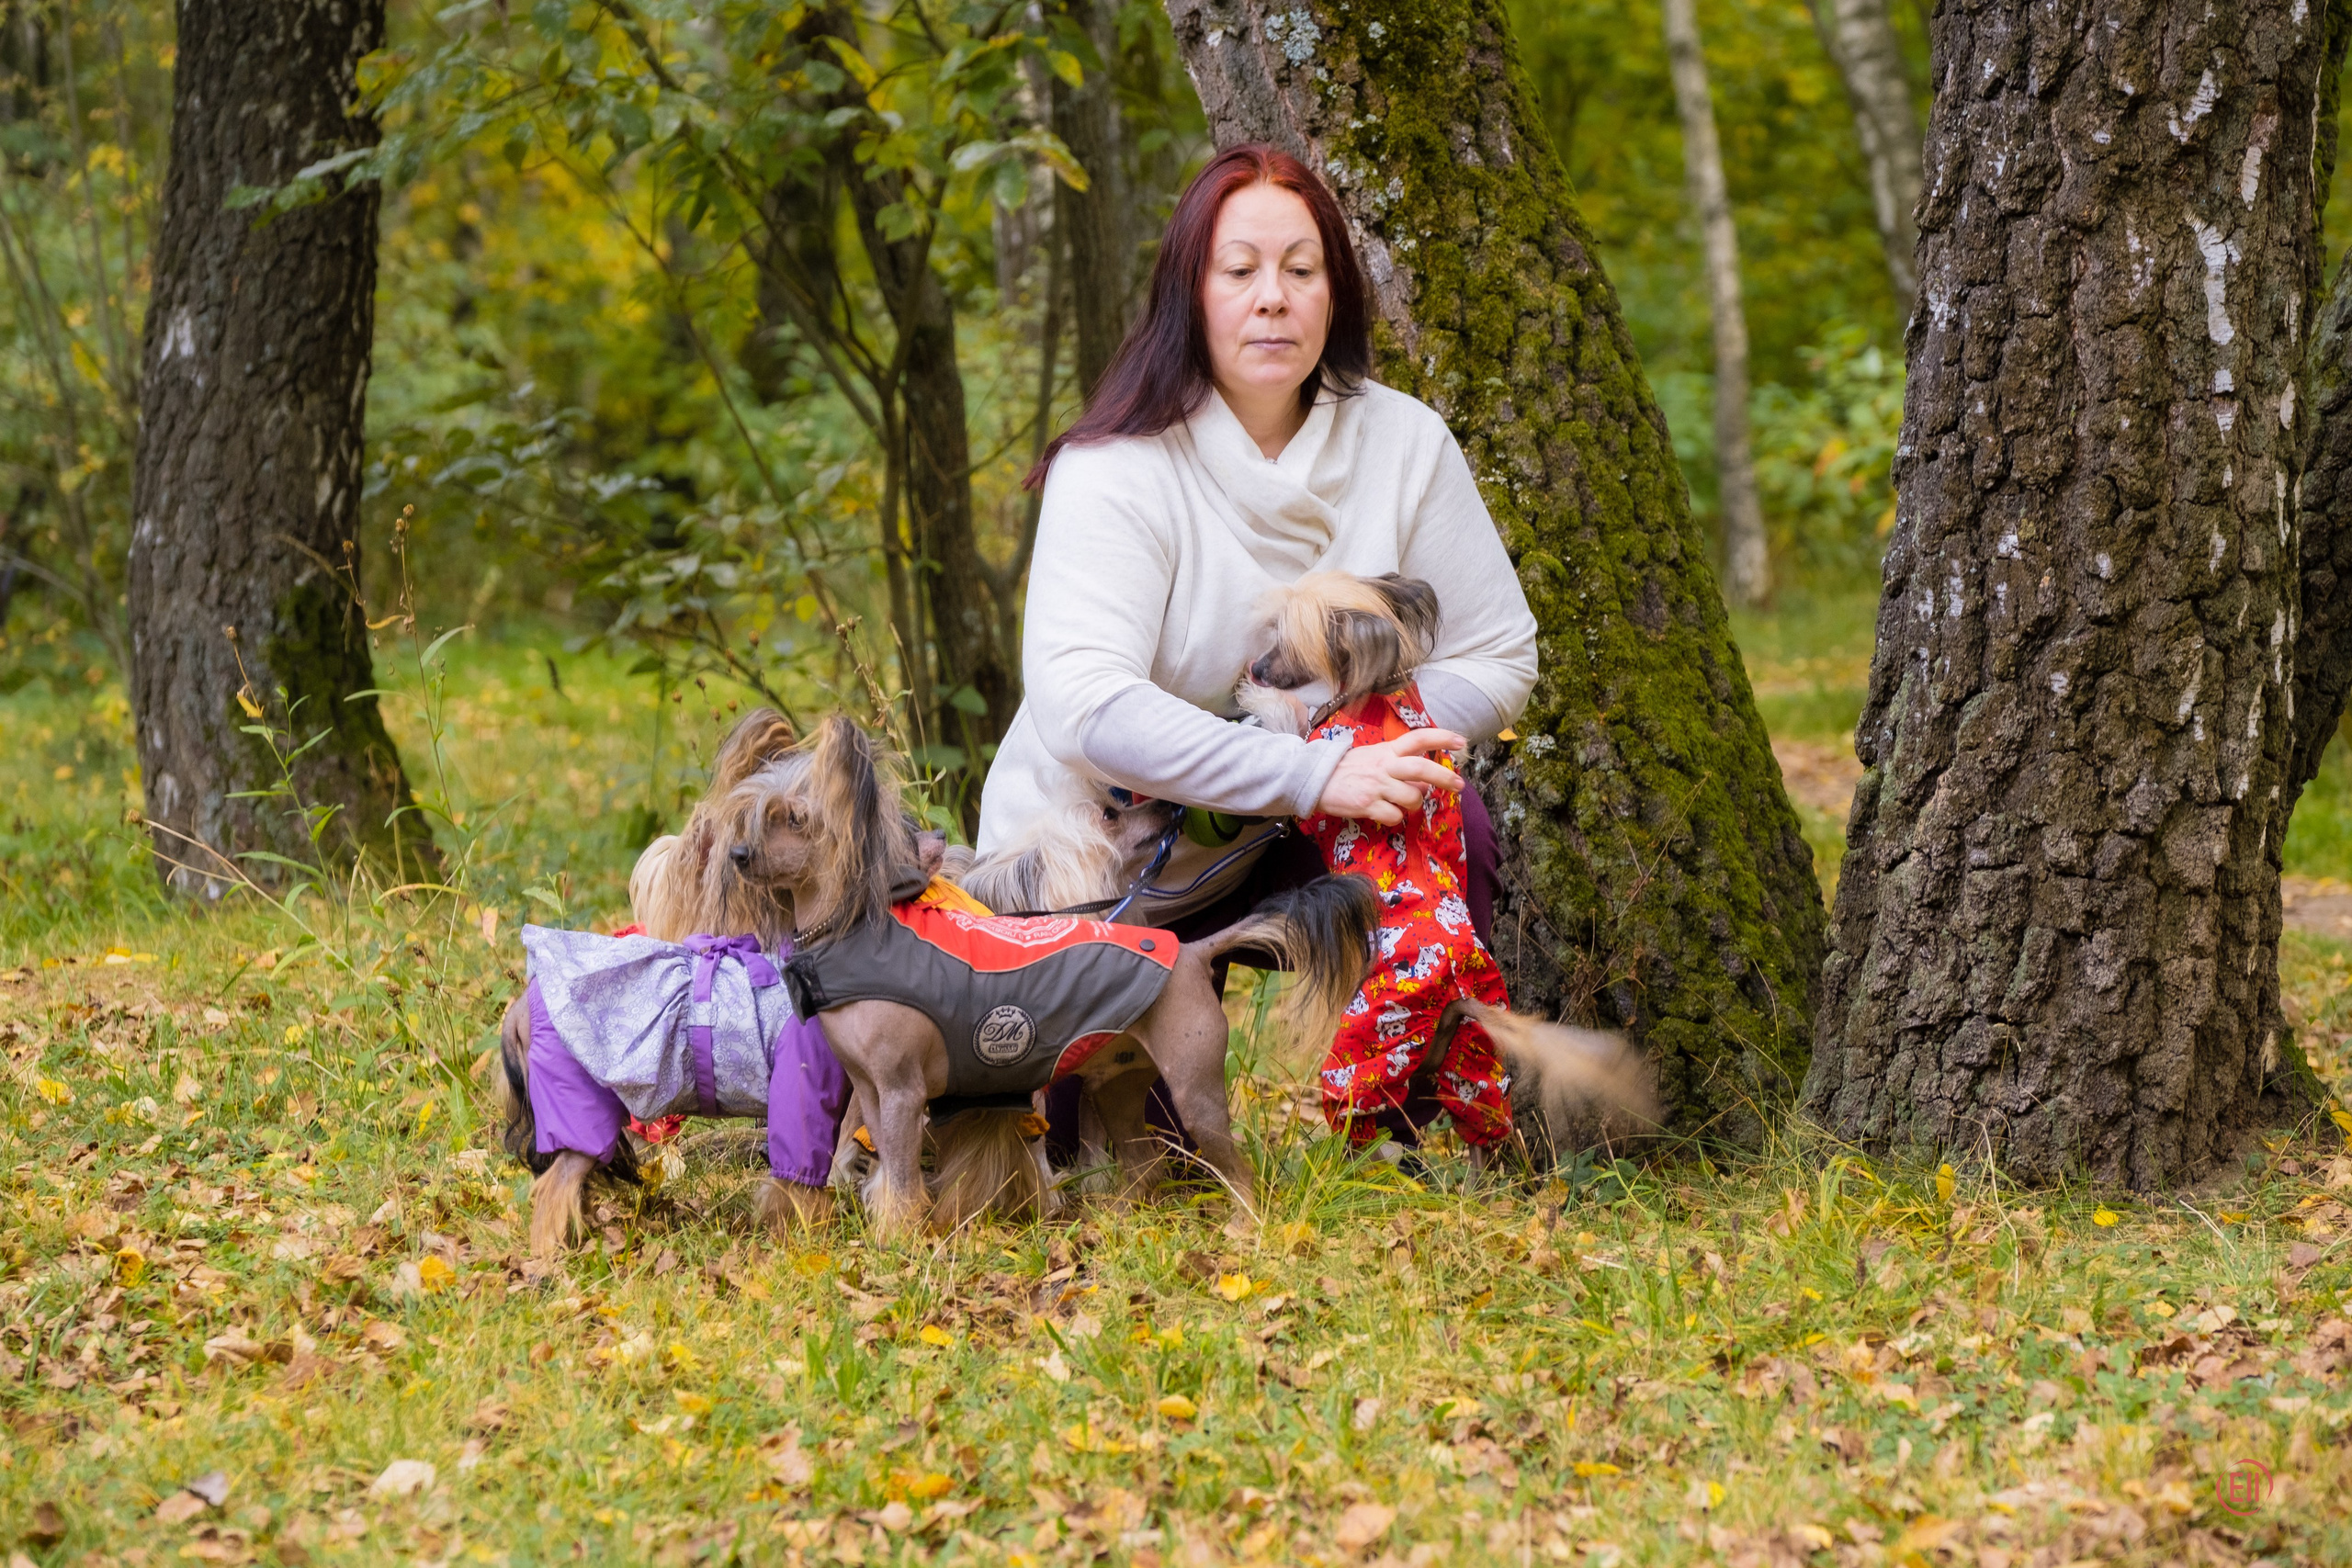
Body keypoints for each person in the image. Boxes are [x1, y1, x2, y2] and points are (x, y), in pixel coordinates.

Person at [977, 143, 1538, 1150]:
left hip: (1309, 815)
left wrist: (1377, 743)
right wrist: (1312, 767)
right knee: (1107, 1158)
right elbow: (1083, 705)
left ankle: (1408, 1121)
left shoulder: (1404, 442)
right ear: (1190, 294)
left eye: (1301, 268)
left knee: (1456, 822)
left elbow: (1499, 652)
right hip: (1108, 834)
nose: (1271, 299)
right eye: (1238, 271)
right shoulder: (1115, 467)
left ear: (1337, 293)